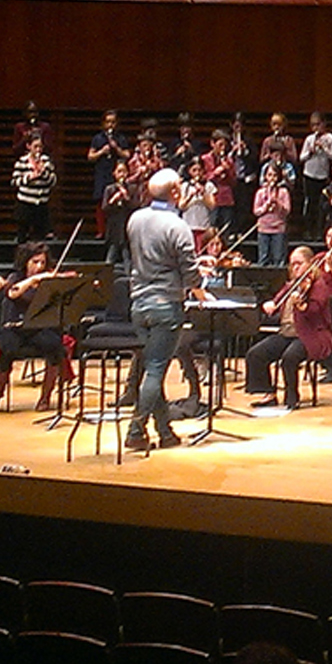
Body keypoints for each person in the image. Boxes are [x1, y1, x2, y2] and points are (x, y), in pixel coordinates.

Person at [124, 168, 209, 451]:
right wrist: (200, 287)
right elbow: (189, 273)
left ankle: (165, 431)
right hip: (165, 305)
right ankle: (136, 429)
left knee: (152, 368)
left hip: (138, 304)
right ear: (174, 193)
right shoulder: (177, 225)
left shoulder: (135, 219)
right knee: (156, 369)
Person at [243, 244, 332, 410]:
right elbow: (279, 298)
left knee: (289, 357)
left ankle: (292, 397)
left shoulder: (318, 285)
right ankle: (269, 393)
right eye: (292, 264)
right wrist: (271, 304)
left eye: (299, 263)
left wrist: (303, 306)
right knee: (256, 353)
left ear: (310, 263)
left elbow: (315, 310)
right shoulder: (292, 285)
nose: (294, 268)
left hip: (312, 335)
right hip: (288, 334)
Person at [0, 240, 74, 413]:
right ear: (25, 261)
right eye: (35, 262)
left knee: (55, 346)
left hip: (40, 329)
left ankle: (45, 397)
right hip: (15, 329)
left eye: (42, 263)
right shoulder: (15, 278)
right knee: (6, 348)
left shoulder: (50, 282)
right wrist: (35, 279)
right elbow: (14, 292)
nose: (39, 266)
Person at [300, 113, 332, 238]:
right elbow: (301, 158)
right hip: (309, 175)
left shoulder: (331, 138)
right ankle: (308, 230)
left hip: (323, 176)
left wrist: (325, 149)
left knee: (321, 205)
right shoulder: (309, 139)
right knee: (309, 204)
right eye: (313, 125)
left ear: (324, 124)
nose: (315, 128)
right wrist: (310, 152)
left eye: (318, 124)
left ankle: (319, 231)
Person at [11, 134, 57, 243]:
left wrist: (44, 173)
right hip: (25, 203)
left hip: (41, 204)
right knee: (22, 237)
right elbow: (14, 182)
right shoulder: (22, 162)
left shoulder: (46, 161)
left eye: (40, 147)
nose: (38, 150)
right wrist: (29, 178)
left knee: (39, 238)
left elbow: (53, 181)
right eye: (35, 146)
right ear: (28, 146)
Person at [253, 163, 292, 268]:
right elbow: (256, 211)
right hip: (263, 229)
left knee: (278, 259)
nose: (272, 178)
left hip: (278, 229)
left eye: (274, 175)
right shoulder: (260, 193)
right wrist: (266, 206)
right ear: (266, 176)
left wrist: (278, 204)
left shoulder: (283, 192)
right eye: (269, 175)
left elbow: (287, 211)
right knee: (263, 258)